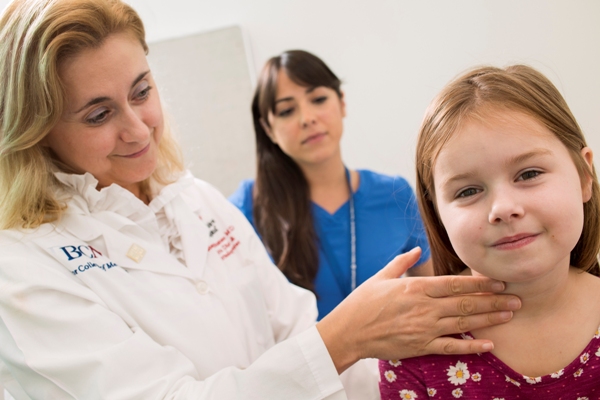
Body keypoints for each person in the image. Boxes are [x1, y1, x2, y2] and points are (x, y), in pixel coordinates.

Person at [0, 0, 522, 398]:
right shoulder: (23, 268)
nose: (138, 129)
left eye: (142, 91)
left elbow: (294, 328)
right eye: (98, 115)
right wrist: (344, 337)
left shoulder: (195, 200)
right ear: (36, 130)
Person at [379, 64, 600, 399]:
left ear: (585, 175)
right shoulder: (412, 346)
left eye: (528, 174)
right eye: (467, 192)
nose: (503, 208)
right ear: (437, 214)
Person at [229, 50, 432, 319]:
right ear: (268, 129)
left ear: (342, 103)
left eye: (318, 99)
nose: (307, 118)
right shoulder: (245, 208)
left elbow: (430, 295)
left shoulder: (394, 194)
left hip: (393, 359)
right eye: (287, 110)